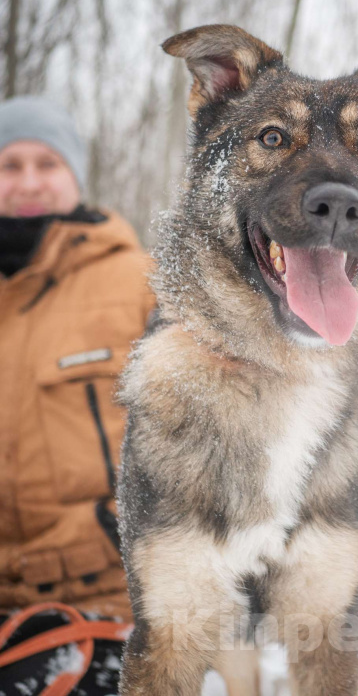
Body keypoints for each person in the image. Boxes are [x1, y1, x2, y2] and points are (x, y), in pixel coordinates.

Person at [0, 96, 155, 693]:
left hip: (110, 602)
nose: (29, 181)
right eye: (10, 165)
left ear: (76, 177)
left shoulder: (143, 285)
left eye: (47, 163)